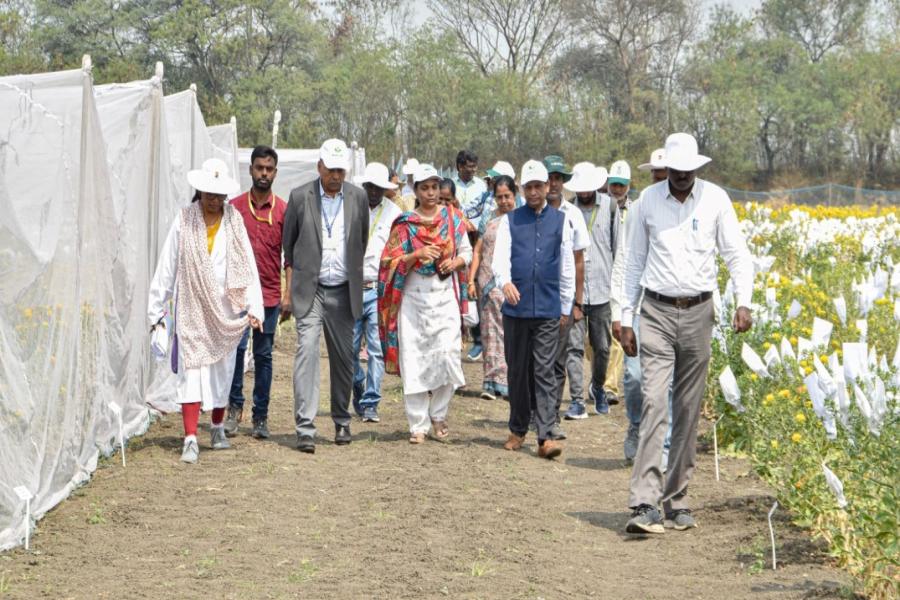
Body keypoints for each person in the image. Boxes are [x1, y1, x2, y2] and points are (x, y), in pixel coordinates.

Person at [621, 133, 753, 534]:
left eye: (686, 171)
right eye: (674, 171)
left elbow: (736, 253)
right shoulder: (647, 201)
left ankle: (676, 498)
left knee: (688, 409)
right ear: (668, 169)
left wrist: (743, 301)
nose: (680, 177)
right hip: (656, 309)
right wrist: (625, 316)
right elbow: (632, 262)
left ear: (696, 167)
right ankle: (644, 502)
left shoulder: (715, 200)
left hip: (699, 312)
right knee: (655, 401)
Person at [148, 158, 264, 464]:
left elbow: (247, 266)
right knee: (192, 373)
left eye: (218, 195)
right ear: (199, 192)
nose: (214, 200)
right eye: (208, 194)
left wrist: (254, 307)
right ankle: (189, 437)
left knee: (221, 373)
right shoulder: (184, 220)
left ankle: (216, 427)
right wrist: (156, 310)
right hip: (191, 308)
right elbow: (167, 265)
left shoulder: (234, 221)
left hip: (225, 311)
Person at [282, 138, 369, 454]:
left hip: (344, 290)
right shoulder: (300, 197)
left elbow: (361, 238)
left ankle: (342, 419)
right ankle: (305, 427)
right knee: (306, 353)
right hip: (311, 290)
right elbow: (288, 245)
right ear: (319, 166)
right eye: (330, 169)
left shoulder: (358, 198)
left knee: (344, 357)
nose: (336, 176)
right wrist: (289, 290)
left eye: (341, 170)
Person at [378, 163, 472, 444]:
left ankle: (439, 413)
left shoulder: (454, 219)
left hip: (444, 296)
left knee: (449, 356)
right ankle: (417, 424)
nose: (431, 193)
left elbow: (466, 251)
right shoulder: (405, 224)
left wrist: (455, 261)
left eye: (434, 187)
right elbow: (387, 263)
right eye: (425, 188)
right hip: (413, 298)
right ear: (415, 191)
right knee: (414, 359)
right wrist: (414, 255)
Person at [493, 160, 574, 460]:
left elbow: (566, 265)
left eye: (539, 186)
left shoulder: (561, 220)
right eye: (529, 187)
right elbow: (499, 259)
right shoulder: (510, 221)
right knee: (516, 370)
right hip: (516, 309)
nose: (535, 192)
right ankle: (517, 428)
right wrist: (505, 282)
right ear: (522, 189)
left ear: (547, 187)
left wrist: (566, 304)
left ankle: (546, 435)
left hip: (548, 309)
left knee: (544, 370)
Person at [612, 153, 672, 464]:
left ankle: (664, 444)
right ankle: (635, 426)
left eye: (667, 175)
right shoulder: (639, 208)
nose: (662, 181)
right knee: (634, 377)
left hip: (669, 307)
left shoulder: (683, 208)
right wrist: (619, 312)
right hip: (639, 304)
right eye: (657, 176)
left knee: (667, 381)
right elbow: (625, 259)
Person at [223, 146, 287, 440]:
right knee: (236, 353)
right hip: (238, 295)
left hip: (271, 294)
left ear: (275, 172)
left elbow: (291, 257)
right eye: (259, 167)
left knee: (263, 356)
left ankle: (260, 416)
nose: (264, 173)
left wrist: (288, 295)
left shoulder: (284, 210)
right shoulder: (233, 207)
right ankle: (233, 409)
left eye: (269, 169)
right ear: (250, 170)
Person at [561, 163, 617, 421]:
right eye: (579, 189)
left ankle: (598, 387)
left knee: (602, 347)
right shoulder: (567, 210)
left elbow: (618, 249)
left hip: (603, 289)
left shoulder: (611, 207)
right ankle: (576, 400)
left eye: (588, 189)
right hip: (575, 291)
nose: (583, 194)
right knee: (573, 347)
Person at [351, 162, 403, 424]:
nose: (373, 192)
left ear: (385, 189)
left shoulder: (395, 214)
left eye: (378, 188)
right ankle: (358, 385)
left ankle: (371, 402)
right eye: (370, 186)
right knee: (347, 351)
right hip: (351, 287)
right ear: (364, 186)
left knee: (375, 350)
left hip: (378, 288)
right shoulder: (351, 208)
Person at [543, 155, 589, 439]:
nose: (554, 183)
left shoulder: (573, 215)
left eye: (559, 178)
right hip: (537, 298)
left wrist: (578, 302)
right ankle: (537, 412)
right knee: (537, 361)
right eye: (550, 177)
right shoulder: (529, 211)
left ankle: (551, 416)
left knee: (558, 361)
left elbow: (579, 260)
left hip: (563, 299)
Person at [468, 175, 517, 400]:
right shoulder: (488, 218)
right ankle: (490, 382)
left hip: (510, 284)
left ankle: (508, 381)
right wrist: (471, 279)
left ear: (515, 195)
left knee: (509, 334)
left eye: (507, 196)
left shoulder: (521, 219)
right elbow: (477, 250)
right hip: (486, 283)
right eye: (499, 197)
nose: (504, 201)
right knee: (489, 334)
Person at [599, 160, 632, 412]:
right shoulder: (601, 208)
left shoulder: (636, 210)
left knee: (616, 333)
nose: (617, 189)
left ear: (628, 186)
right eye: (614, 185)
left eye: (621, 185)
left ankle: (610, 387)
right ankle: (599, 378)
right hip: (601, 275)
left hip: (625, 276)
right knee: (595, 338)